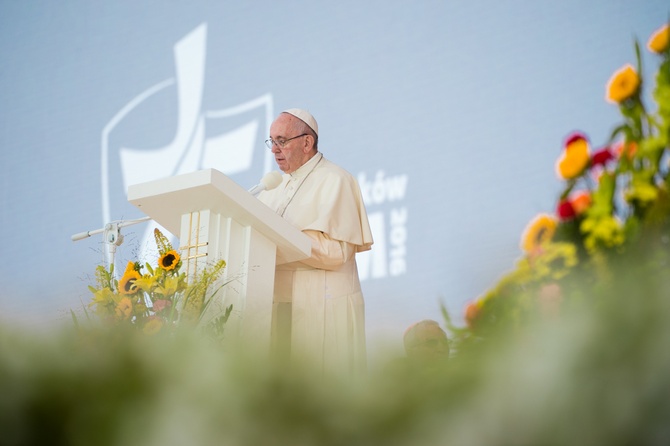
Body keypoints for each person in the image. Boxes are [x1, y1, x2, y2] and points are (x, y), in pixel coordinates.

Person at [257, 108, 373, 378]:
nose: (274, 149)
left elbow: (337, 252)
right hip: (277, 313)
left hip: (322, 312)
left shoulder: (336, 179)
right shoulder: (271, 189)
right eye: (271, 141)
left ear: (307, 142)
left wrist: (280, 240)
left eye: (282, 141)